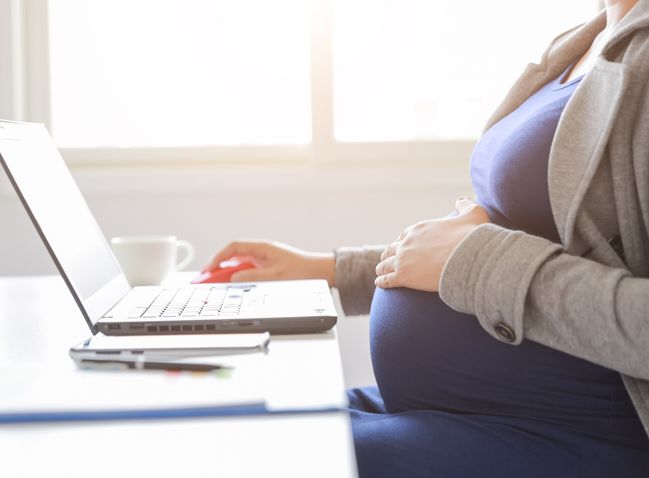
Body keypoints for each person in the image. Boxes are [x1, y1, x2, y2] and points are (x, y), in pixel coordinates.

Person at [203, 1, 649, 476]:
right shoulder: (586, 37)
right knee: (217, 415)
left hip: (572, 436)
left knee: (241, 450)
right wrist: (333, 270)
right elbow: (510, 237)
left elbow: (479, 253)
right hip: (476, 410)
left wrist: (479, 261)